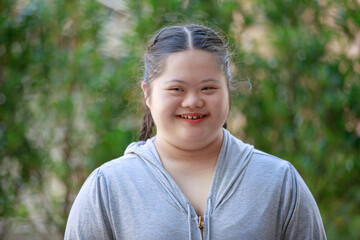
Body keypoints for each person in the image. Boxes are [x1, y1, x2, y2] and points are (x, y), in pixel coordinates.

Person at [64, 24, 326, 240]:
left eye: (208, 88)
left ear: (228, 90)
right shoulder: (108, 187)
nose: (193, 102)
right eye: (176, 89)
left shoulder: (279, 182)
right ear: (148, 94)